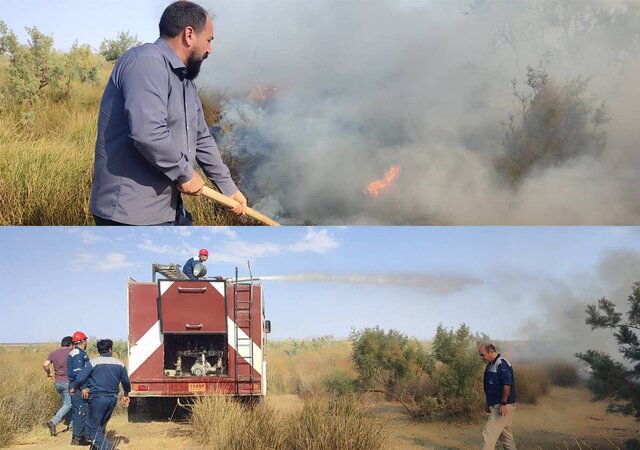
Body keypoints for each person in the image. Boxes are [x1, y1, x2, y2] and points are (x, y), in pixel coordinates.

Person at [90, 0, 248, 226]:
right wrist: (184, 173)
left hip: (167, 208)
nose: (209, 50)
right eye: (209, 40)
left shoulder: (185, 81)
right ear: (189, 35)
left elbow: (202, 137)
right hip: (130, 214)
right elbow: (148, 132)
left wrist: (229, 189)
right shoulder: (146, 62)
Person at [72, 339, 131, 450]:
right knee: (100, 427)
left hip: (97, 398)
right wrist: (126, 394)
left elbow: (80, 377)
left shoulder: (93, 362)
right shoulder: (119, 363)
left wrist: (75, 387)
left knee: (91, 430)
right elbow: (126, 382)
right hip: (112, 398)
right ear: (110, 350)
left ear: (99, 350)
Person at [479, 343, 517, 450]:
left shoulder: (501, 363)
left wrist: (503, 403)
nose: (482, 358)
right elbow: (491, 386)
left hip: (503, 407)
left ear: (491, 352)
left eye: (483, 355)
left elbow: (507, 384)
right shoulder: (491, 364)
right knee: (507, 438)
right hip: (499, 405)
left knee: (488, 434)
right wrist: (488, 402)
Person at [43, 336, 73, 436]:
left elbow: (45, 365)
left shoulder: (53, 353)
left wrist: (48, 373)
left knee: (67, 404)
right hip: (67, 382)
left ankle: (71, 425)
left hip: (57, 383)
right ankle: (53, 422)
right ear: (71, 344)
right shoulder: (72, 353)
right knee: (68, 404)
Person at [68, 331, 90, 446]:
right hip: (79, 388)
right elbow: (79, 373)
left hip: (76, 386)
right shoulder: (78, 354)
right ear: (83, 341)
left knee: (80, 412)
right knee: (81, 413)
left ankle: (80, 437)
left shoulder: (76, 352)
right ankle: (77, 439)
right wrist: (84, 387)